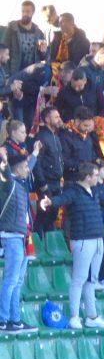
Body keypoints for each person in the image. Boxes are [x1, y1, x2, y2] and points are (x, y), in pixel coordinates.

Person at [39, 162, 104, 329]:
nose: (98, 178)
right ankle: (75, 317)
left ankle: (92, 316)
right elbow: (61, 199)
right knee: (79, 280)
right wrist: (49, 202)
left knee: (91, 280)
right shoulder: (73, 191)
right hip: (83, 241)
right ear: (87, 177)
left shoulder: (96, 191)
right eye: (96, 175)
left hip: (98, 239)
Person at [0, 143, 39, 334]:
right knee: (10, 280)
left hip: (22, 238)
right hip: (13, 238)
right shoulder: (8, 183)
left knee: (17, 282)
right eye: (24, 167)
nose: (27, 169)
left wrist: (35, 153)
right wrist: (4, 159)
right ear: (16, 169)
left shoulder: (22, 184)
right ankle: (2, 320)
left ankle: (15, 320)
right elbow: (6, 172)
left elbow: (29, 165)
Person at [5, 1, 45, 74]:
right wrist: (7, 73)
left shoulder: (39, 33)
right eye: (23, 11)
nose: (24, 14)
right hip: (15, 72)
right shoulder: (12, 29)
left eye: (27, 11)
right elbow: (4, 50)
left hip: (32, 73)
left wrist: (43, 51)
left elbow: (44, 56)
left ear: (33, 12)